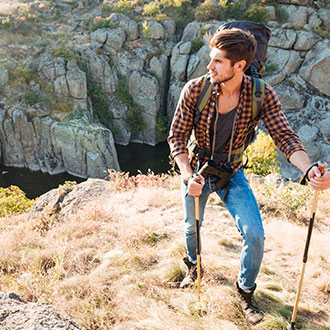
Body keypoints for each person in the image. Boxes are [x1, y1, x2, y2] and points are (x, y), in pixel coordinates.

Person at [168, 27, 330, 325]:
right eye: (211, 59)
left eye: (218, 61)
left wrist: (309, 170)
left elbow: (285, 137)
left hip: (232, 172)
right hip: (197, 171)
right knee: (192, 228)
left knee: (254, 235)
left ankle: (244, 293)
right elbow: (176, 137)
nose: (209, 66)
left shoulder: (260, 94)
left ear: (239, 66)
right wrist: (188, 175)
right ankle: (194, 267)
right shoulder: (195, 89)